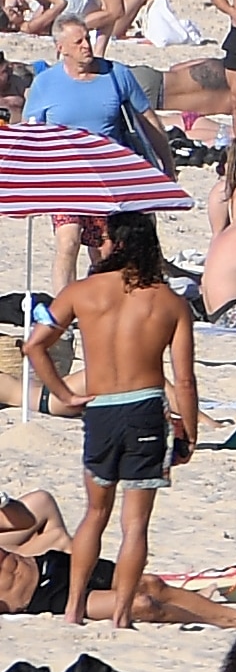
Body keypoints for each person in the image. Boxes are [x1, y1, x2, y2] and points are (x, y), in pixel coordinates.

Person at [37, 210, 190, 631]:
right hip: (145, 409)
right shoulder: (170, 302)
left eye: (103, 239)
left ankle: (73, 607)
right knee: (135, 522)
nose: (98, 245)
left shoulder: (81, 292)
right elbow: (185, 379)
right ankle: (121, 615)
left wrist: (64, 393)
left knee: (94, 513)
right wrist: (189, 433)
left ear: (119, 244)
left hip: (100, 409)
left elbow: (34, 345)